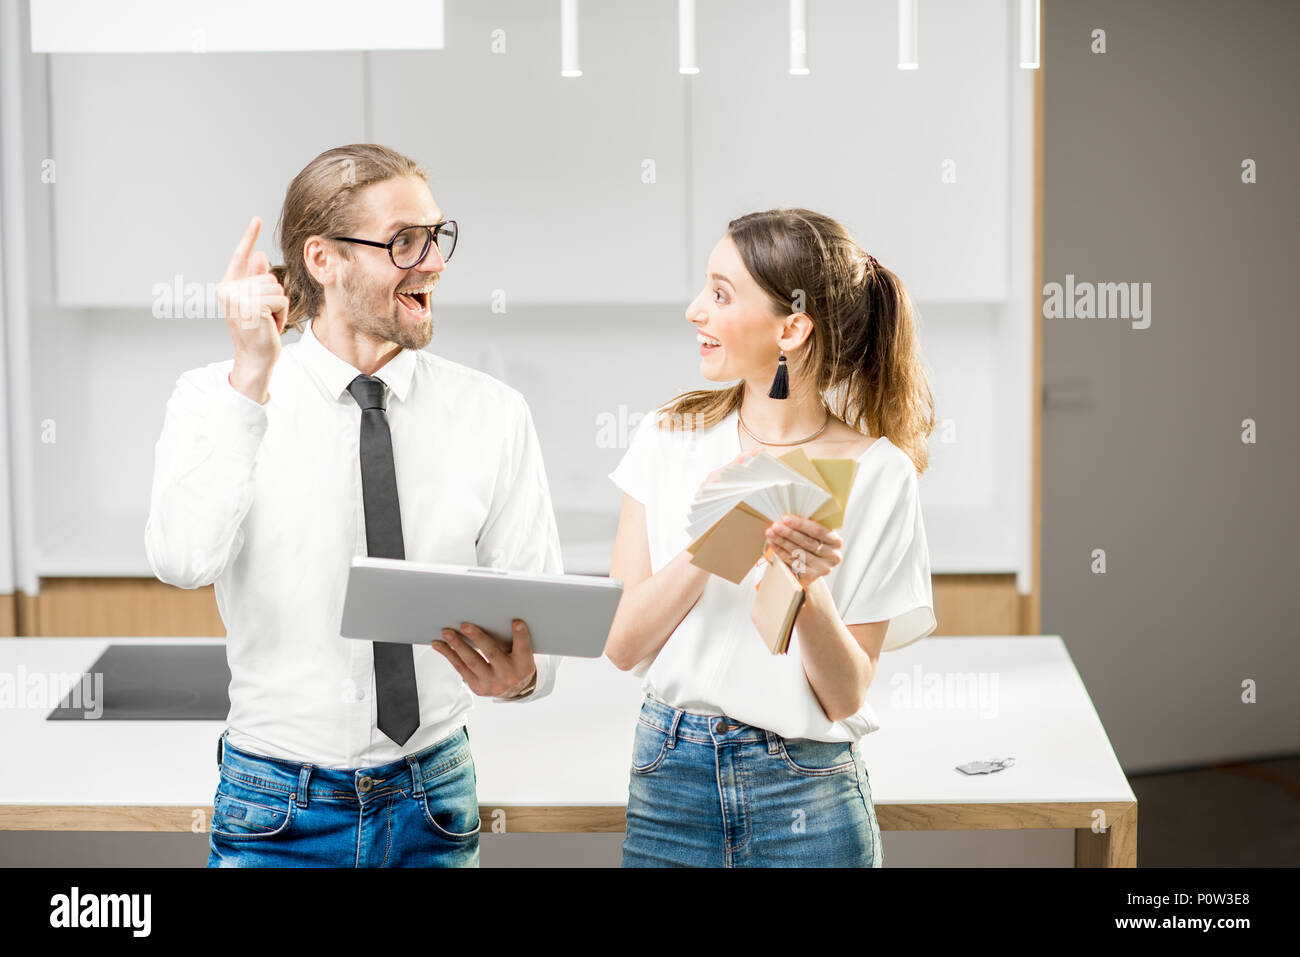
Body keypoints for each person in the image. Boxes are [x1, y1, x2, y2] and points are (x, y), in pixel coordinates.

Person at [145, 144, 563, 867]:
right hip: (275, 805)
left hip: (434, 798)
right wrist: (251, 377)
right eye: (405, 241)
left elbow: (541, 623)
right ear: (323, 260)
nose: (432, 260)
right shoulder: (219, 397)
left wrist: (522, 674)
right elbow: (182, 561)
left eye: (438, 235)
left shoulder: (493, 412)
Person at [604, 208, 938, 867]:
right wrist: (715, 545)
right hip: (670, 778)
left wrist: (808, 585)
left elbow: (845, 695)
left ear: (791, 327)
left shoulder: (879, 474)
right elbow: (621, 643)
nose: (695, 309)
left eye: (721, 294)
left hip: (807, 791)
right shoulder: (668, 437)